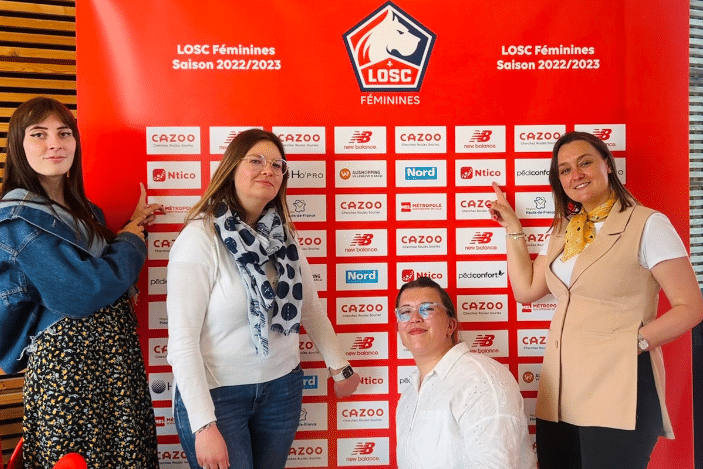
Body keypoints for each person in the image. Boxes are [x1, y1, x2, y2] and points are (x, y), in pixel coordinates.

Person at [487, 131, 703, 469]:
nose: (577, 174)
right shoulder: (564, 229)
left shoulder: (648, 223)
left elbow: (690, 307)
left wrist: (633, 342)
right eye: (565, 169)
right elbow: (526, 290)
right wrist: (514, 229)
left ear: (607, 164)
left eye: (585, 162)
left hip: (617, 385)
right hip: (559, 392)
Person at [167, 128, 361, 469]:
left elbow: (310, 308)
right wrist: (203, 424)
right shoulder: (199, 238)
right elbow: (182, 342)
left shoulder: (284, 236)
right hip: (219, 396)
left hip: (281, 390)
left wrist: (339, 365)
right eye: (255, 160)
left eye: (276, 164)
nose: (267, 170)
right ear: (231, 168)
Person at [0, 96, 163, 467]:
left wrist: (125, 230)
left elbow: (100, 269)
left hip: (115, 361)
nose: (54, 143)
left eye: (64, 133)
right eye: (39, 134)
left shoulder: (88, 211)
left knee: (125, 456)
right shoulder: (18, 219)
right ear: (19, 147)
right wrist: (131, 242)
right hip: (68, 370)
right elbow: (82, 291)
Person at [394, 276, 536, 469]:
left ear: (451, 326)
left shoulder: (481, 380)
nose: (414, 318)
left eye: (427, 309)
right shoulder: (409, 394)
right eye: (405, 312)